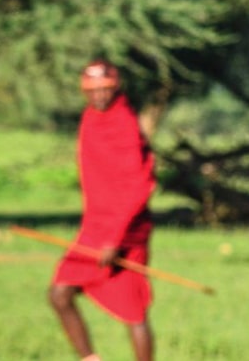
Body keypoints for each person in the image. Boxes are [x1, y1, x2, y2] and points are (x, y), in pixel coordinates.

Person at [49, 60, 155, 361]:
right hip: (96, 226)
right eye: (91, 91)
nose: (99, 97)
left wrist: (115, 239)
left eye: (105, 90)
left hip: (125, 230)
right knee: (60, 294)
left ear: (115, 87)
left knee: (134, 312)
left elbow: (139, 185)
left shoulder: (124, 121)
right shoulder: (90, 118)